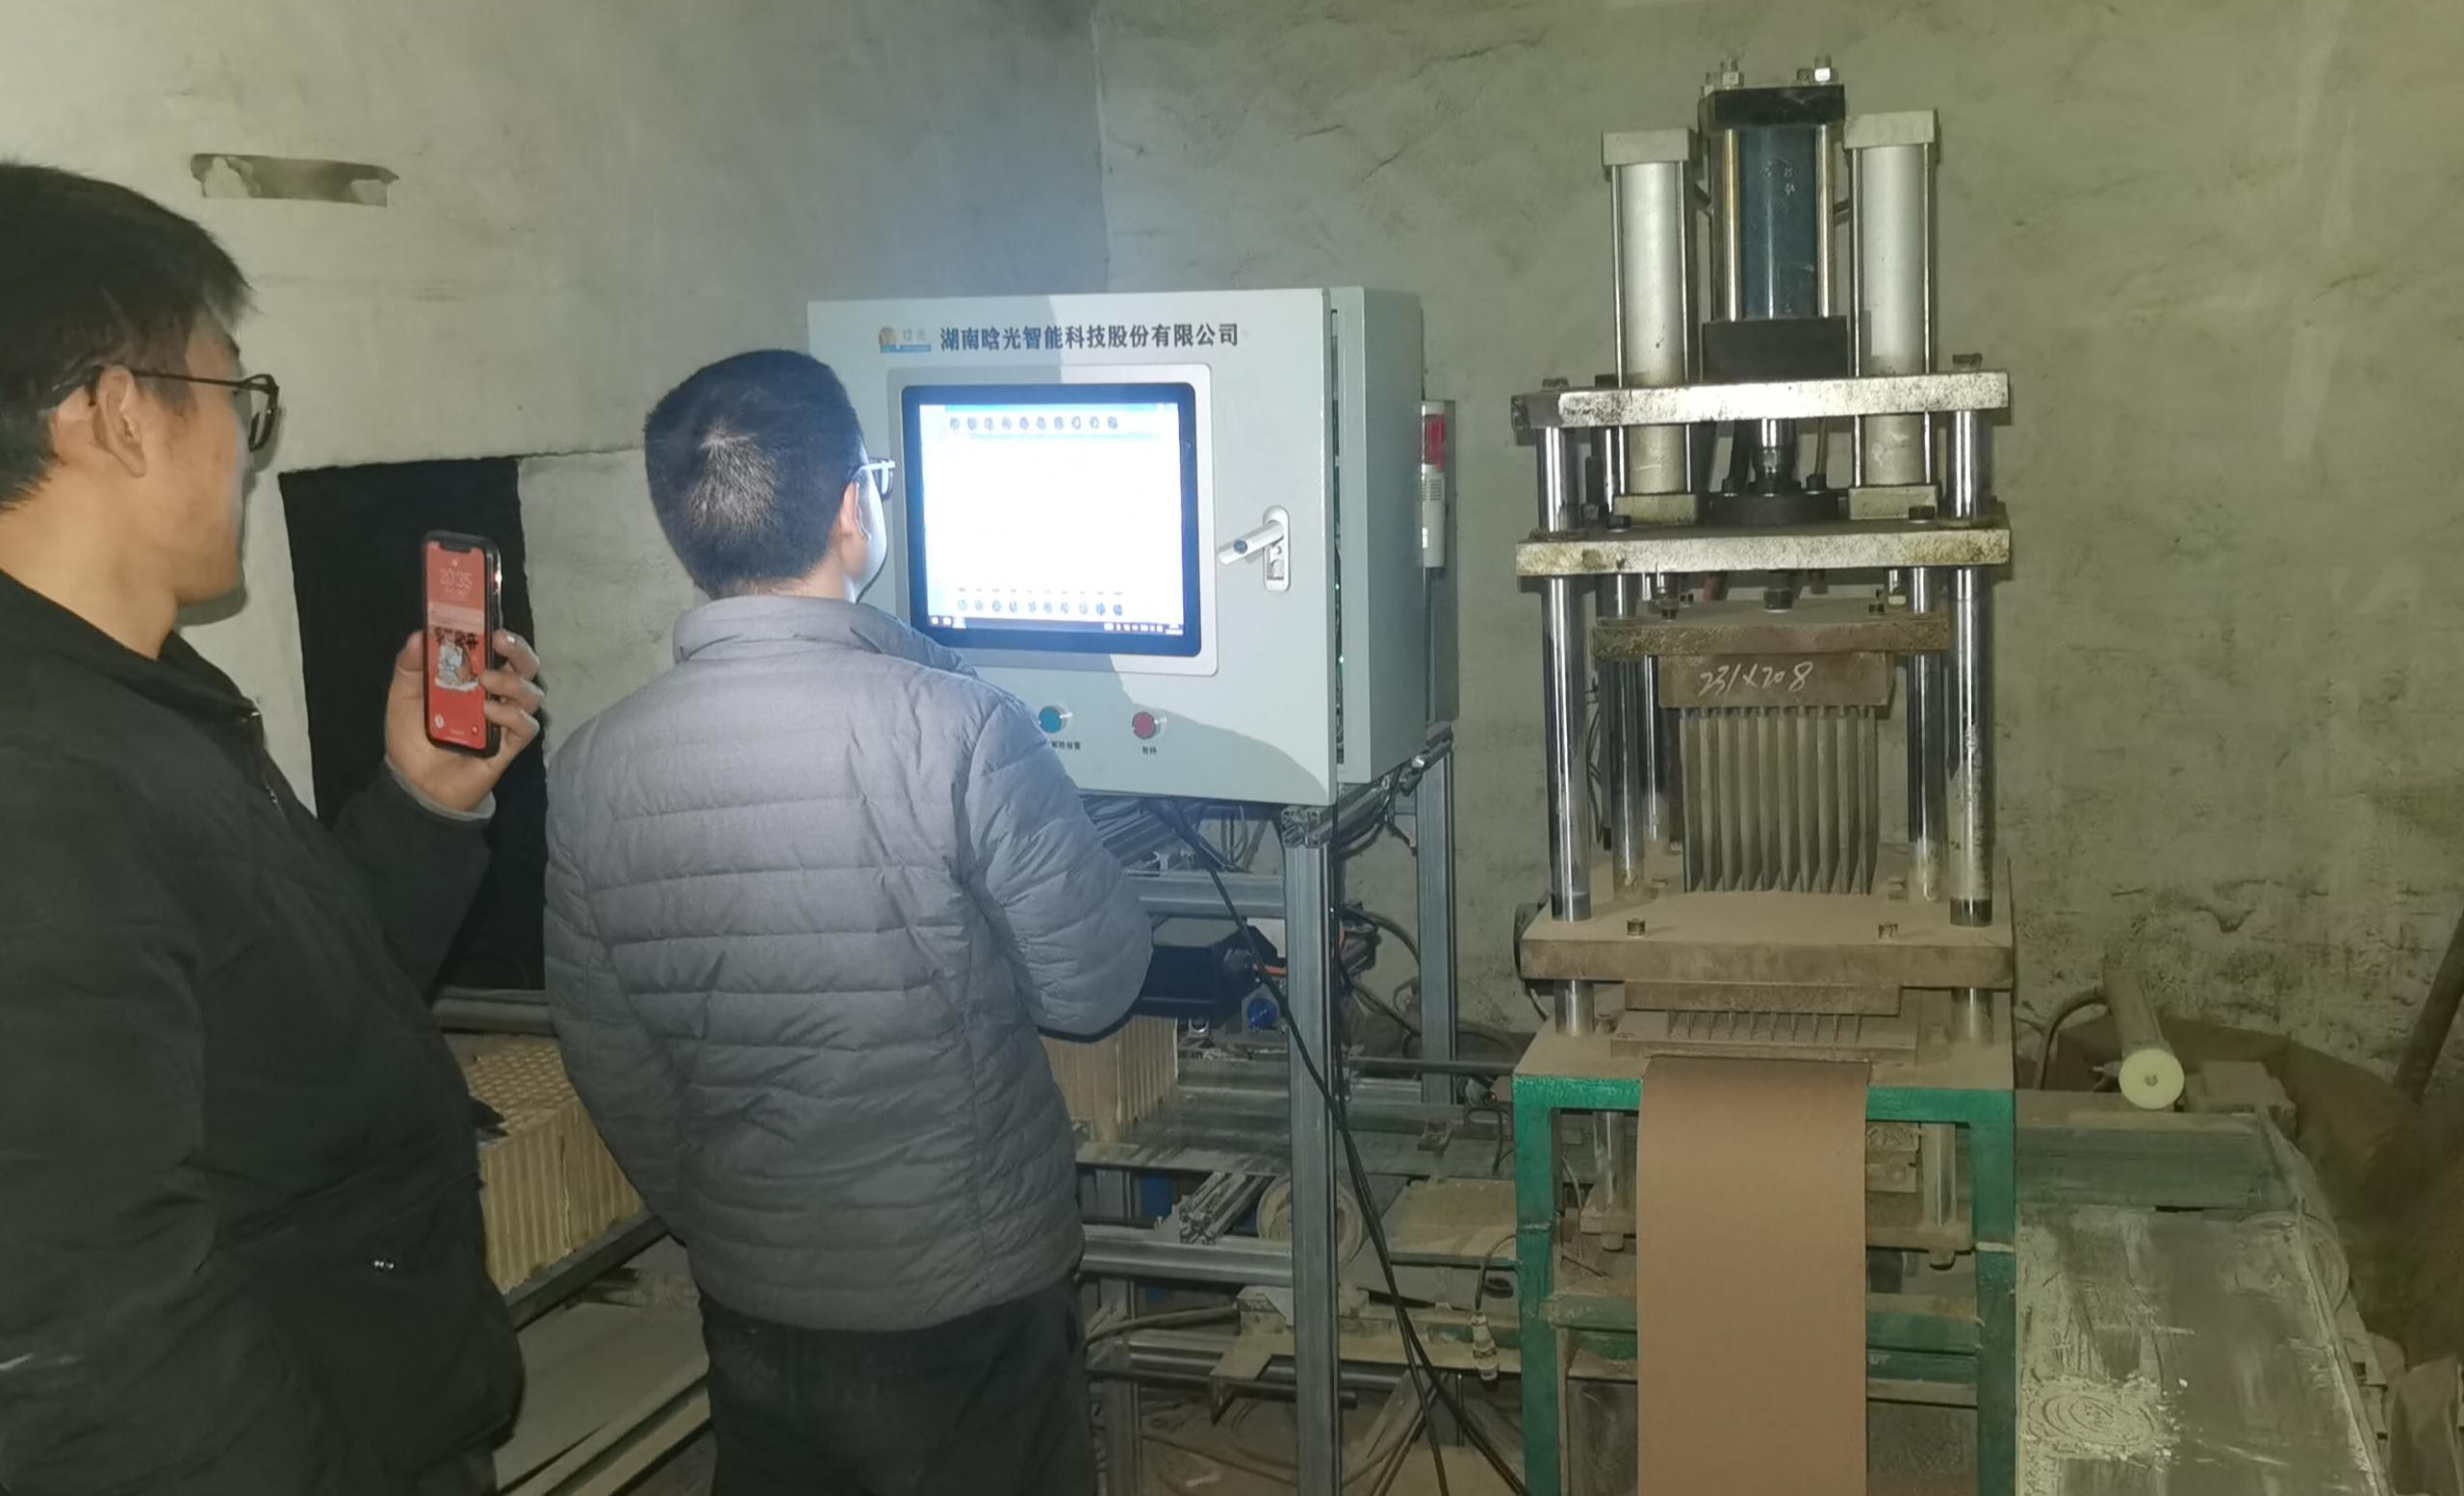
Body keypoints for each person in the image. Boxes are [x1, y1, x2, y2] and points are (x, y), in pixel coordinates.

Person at [0, 164, 544, 1496]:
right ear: (120, 415)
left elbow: (292, 1025)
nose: (248, 447)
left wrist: (421, 801)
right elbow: (96, 1355)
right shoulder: (38, 779)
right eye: (236, 395)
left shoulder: (140, 701)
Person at [544, 350, 1151, 1496]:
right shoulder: (960, 727)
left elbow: (612, 1059)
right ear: (849, 510)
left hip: (755, 1294)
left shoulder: (591, 768)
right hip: (966, 1295)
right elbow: (1094, 985)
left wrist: (729, 1220)